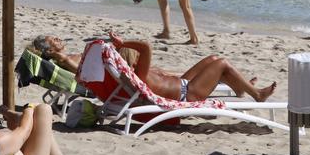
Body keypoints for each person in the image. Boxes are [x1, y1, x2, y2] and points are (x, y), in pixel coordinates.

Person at [30, 32, 276, 102]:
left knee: (212, 59)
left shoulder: (133, 77)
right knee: (221, 63)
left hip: (180, 85)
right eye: (53, 42)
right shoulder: (140, 75)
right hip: (186, 94)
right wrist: (123, 43)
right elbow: (146, 46)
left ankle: (240, 87)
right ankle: (257, 95)